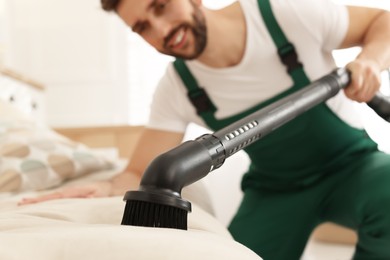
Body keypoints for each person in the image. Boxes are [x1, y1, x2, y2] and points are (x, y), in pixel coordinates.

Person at [20, 0, 390, 259]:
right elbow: (137, 171)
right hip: (277, 190)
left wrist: (370, 59)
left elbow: (381, 21)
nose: (162, 30)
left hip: (352, 166)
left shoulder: (280, 14)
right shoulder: (177, 87)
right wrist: (103, 186)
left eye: (161, 5)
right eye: (143, 27)